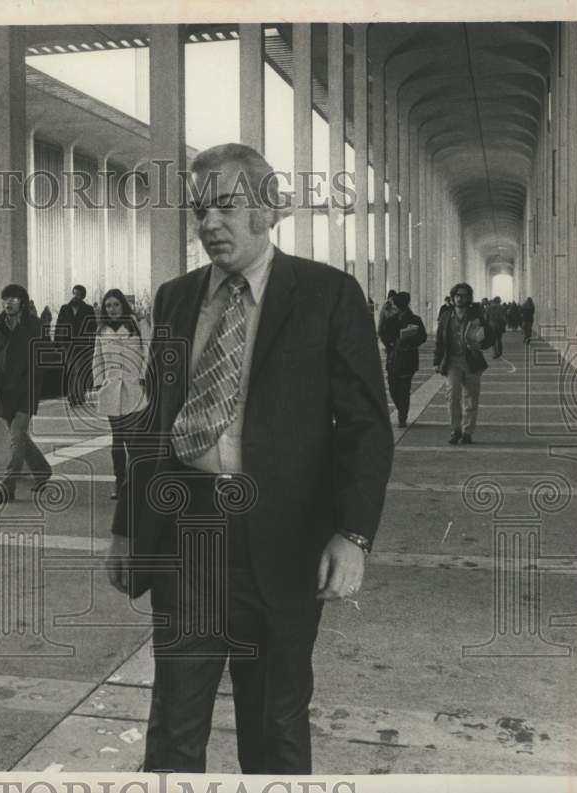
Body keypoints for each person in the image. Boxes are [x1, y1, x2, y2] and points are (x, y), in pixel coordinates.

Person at [105, 143, 393, 774]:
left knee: (277, 725)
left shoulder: (327, 295)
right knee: (175, 726)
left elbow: (367, 426)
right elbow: (152, 423)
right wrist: (129, 529)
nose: (209, 224)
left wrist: (353, 534)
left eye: (227, 207)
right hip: (188, 536)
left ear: (271, 208)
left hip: (285, 543)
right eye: (199, 210)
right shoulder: (177, 297)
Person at [0, 283, 52, 502]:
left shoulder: (35, 325)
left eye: (13, 298)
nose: (8, 302)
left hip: (27, 388)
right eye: (5, 299)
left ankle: (7, 486)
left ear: (22, 301)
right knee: (18, 437)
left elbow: (45, 354)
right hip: (5, 389)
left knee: (16, 437)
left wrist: (34, 376)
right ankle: (42, 470)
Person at [92, 289, 148, 499]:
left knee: (133, 439)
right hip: (111, 388)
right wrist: (99, 383)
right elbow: (97, 358)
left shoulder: (137, 324)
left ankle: (135, 481)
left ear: (123, 305)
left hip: (134, 387)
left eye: (116, 305)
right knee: (118, 439)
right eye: (108, 306)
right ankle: (120, 481)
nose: (112, 309)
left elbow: (149, 350)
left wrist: (143, 376)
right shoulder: (101, 330)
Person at [432, 282, 494, 445]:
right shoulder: (446, 316)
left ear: (468, 298)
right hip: (452, 361)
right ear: (453, 297)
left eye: (464, 295)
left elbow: (490, 336)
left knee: (471, 399)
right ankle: (455, 430)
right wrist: (437, 361)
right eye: (457, 295)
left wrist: (480, 345)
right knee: (452, 396)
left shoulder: (476, 315)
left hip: (472, 361)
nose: (460, 298)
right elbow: (439, 340)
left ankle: (467, 432)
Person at [378, 291, 428, 428]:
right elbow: (383, 333)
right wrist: (391, 344)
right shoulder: (391, 320)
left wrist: (409, 341)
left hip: (408, 357)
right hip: (393, 357)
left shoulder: (415, 320)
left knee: (404, 388)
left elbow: (422, 337)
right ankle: (401, 408)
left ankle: (402, 414)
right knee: (393, 387)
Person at [56, 284, 96, 407]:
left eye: (78, 294)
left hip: (82, 345)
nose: (75, 296)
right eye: (74, 293)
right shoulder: (64, 308)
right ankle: (72, 396)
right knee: (71, 370)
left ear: (83, 296)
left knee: (79, 370)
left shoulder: (88, 309)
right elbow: (59, 325)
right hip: (67, 344)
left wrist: (92, 345)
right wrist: (57, 343)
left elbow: (93, 327)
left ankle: (78, 395)